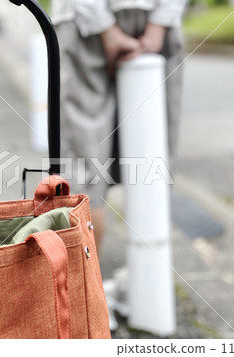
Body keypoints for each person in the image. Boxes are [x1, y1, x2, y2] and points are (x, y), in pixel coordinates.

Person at [51, 0, 187, 252]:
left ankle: (87, 289)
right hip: (158, 13)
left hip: (81, 16)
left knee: (82, 173)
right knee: (154, 163)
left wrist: (104, 26)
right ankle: (146, 286)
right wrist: (158, 25)